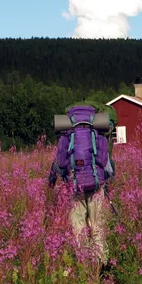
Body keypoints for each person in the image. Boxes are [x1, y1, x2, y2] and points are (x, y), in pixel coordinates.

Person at [48, 100, 117, 266]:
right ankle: (101, 264)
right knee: (97, 225)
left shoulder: (67, 133)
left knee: (78, 227)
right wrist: (105, 181)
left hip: (74, 186)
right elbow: (106, 165)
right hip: (97, 185)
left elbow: (61, 162)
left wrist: (58, 178)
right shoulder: (98, 132)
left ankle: (83, 263)